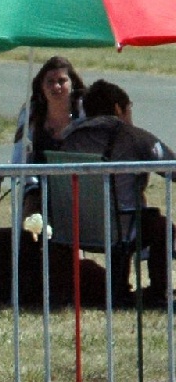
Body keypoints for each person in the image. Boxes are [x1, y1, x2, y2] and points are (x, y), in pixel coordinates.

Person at [56, 79, 176, 307]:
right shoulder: (131, 136)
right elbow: (171, 166)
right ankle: (159, 292)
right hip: (120, 226)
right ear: (119, 109)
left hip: (74, 226)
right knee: (160, 227)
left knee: (129, 218)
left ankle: (118, 288)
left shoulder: (67, 138)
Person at [11, 56, 87, 218]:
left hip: (79, 186)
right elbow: (18, 159)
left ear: (72, 84)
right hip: (39, 188)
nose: (56, 86)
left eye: (62, 81)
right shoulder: (30, 113)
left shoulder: (83, 112)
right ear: (41, 86)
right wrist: (33, 187)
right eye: (50, 82)